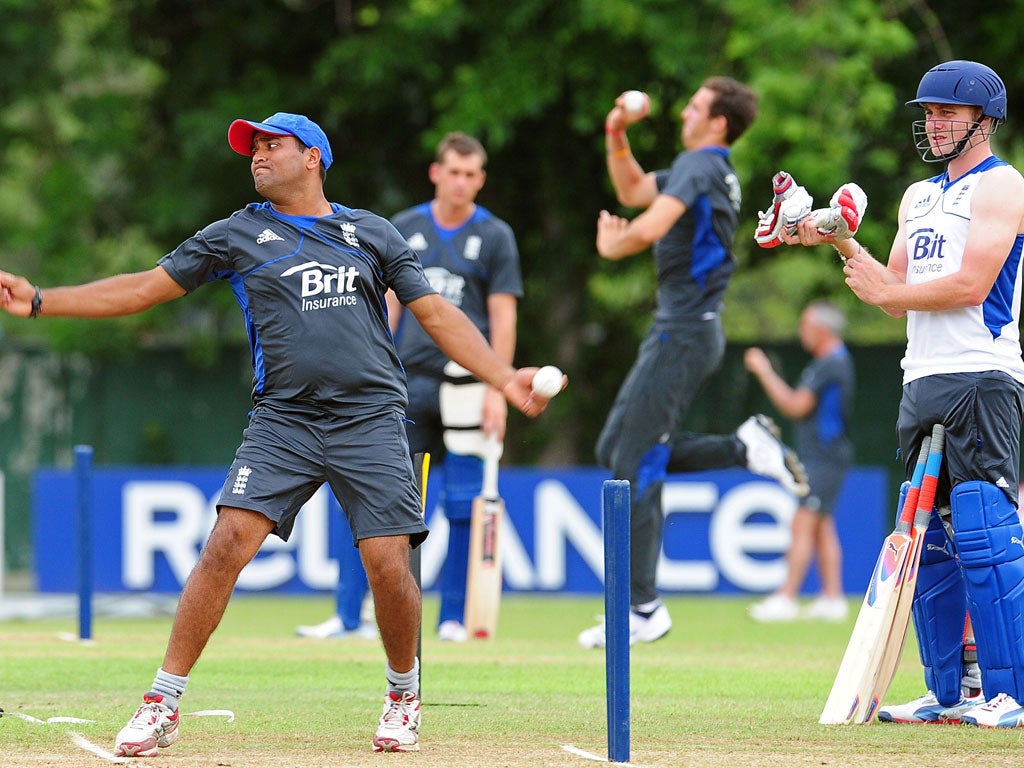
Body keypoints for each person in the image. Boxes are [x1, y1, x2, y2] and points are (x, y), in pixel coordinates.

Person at [0, 112, 561, 755]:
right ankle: (163, 700)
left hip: (370, 417)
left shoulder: (370, 233)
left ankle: (403, 693)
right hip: (284, 421)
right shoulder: (236, 233)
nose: (258, 156)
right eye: (254, 147)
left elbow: (436, 314)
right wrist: (42, 300)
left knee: (387, 561)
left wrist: (500, 377)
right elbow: (143, 289)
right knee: (226, 542)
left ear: (314, 156)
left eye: (273, 145)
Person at [781, 60, 1024, 727]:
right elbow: (890, 288)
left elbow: (970, 286)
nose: (934, 123)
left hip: (983, 373)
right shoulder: (917, 196)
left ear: (983, 120)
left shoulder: (1004, 188)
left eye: (947, 113)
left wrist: (890, 293)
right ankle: (947, 694)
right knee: (930, 543)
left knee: (984, 534)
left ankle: (1013, 697)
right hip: (922, 378)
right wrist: (834, 238)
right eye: (929, 113)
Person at [578, 77, 810, 650]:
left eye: (696, 105)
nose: (684, 111)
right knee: (616, 450)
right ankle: (744, 448)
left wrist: (614, 247)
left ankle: (643, 608)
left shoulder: (702, 167)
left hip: (684, 334)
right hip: (678, 332)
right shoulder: (698, 168)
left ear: (718, 123)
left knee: (634, 463)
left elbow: (647, 223)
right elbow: (634, 189)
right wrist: (615, 132)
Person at [296, 132, 522, 643]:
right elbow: (385, 308)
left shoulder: (495, 236)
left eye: (472, 175)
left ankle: (454, 620)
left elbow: (503, 317)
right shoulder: (406, 227)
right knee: (377, 499)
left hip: (467, 386)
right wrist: (374, 371)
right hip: (407, 382)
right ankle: (349, 616)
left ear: (480, 180)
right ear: (436, 173)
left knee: (465, 503)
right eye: (454, 172)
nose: (462, 182)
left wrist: (497, 387)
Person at [744, 300, 855, 623]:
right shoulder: (834, 361)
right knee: (822, 527)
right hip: (826, 456)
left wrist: (764, 371)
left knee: (803, 523)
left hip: (824, 456)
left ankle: (786, 597)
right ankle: (833, 599)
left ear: (821, 329)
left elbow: (795, 406)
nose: (801, 333)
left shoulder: (829, 364)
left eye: (805, 326)